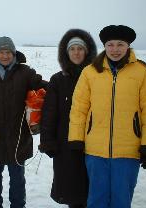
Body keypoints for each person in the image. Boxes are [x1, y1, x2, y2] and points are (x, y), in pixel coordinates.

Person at [68, 25, 146, 208]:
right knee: (96, 199)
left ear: (128, 46)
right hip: (95, 151)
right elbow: (79, 109)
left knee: (121, 199)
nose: (115, 49)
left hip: (128, 151)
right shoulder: (90, 72)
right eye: (110, 45)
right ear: (105, 46)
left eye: (120, 44)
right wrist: (76, 139)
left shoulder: (143, 73)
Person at [0, 36, 46, 208]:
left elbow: (41, 86)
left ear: (14, 54)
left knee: (18, 180)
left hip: (18, 139)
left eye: (8, 52)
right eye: (1, 52)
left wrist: (60, 86)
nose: (5, 56)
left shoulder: (25, 72)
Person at [39, 29, 97, 208]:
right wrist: (47, 140)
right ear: (66, 52)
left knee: (94, 190)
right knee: (72, 192)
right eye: (72, 49)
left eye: (80, 48)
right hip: (65, 144)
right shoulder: (57, 80)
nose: (76, 52)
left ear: (87, 52)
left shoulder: (97, 77)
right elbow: (49, 113)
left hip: (94, 143)